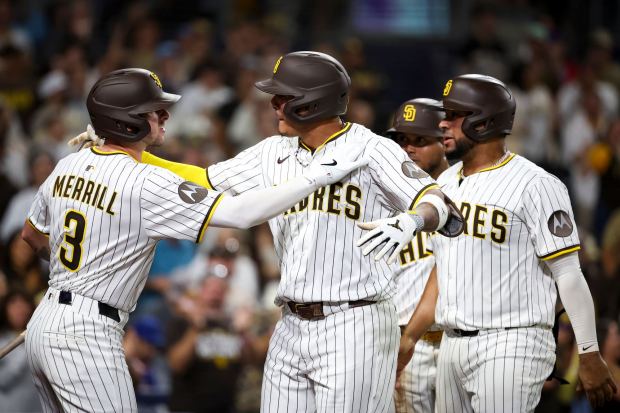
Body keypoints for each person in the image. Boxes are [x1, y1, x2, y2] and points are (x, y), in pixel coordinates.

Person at [74, 51, 462, 412]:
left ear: (312, 102)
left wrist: (414, 219)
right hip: (290, 322)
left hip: (355, 323)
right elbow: (204, 179)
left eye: (282, 97)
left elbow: (440, 203)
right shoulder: (272, 151)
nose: (274, 104)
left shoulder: (371, 148)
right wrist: (124, 152)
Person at [20, 67, 367, 412]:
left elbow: (32, 235)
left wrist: (73, 282)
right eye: (154, 111)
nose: (165, 115)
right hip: (87, 332)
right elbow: (242, 214)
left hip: (46, 319)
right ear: (128, 122)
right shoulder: (145, 182)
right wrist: (313, 178)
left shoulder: (68, 164)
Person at [363, 74, 617, 412]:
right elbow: (443, 269)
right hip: (453, 343)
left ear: (482, 122)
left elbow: (568, 273)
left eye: (454, 115)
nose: (444, 122)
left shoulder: (536, 183)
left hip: (512, 340)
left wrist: (589, 351)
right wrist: (409, 337)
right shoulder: (446, 183)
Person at [385, 98, 449, 413]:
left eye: (420, 141)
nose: (408, 148)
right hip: (407, 347)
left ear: (444, 142)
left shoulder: (469, 192)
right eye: (402, 140)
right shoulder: (386, 196)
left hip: (459, 339)